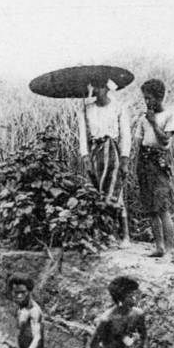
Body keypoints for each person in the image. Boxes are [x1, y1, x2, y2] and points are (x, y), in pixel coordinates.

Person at [77, 79, 133, 239]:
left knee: (115, 192)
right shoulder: (86, 109)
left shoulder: (118, 107)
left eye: (100, 86)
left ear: (107, 88)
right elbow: (83, 134)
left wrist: (124, 158)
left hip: (112, 151)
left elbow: (125, 134)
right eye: (94, 86)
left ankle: (124, 235)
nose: (97, 90)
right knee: (95, 192)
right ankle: (102, 233)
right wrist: (85, 156)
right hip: (95, 152)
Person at [133, 79, 174, 257]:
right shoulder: (143, 118)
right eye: (145, 98)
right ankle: (158, 247)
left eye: (150, 98)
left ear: (159, 97)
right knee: (150, 207)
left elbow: (165, 140)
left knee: (162, 206)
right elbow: (139, 142)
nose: (147, 102)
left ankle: (169, 249)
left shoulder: (170, 114)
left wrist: (153, 122)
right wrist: (136, 165)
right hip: (144, 160)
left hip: (159, 161)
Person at [8, 274, 54, 348]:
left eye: (23, 292)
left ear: (29, 291)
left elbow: (37, 338)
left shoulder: (34, 311)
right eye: (16, 292)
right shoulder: (20, 308)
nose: (19, 296)